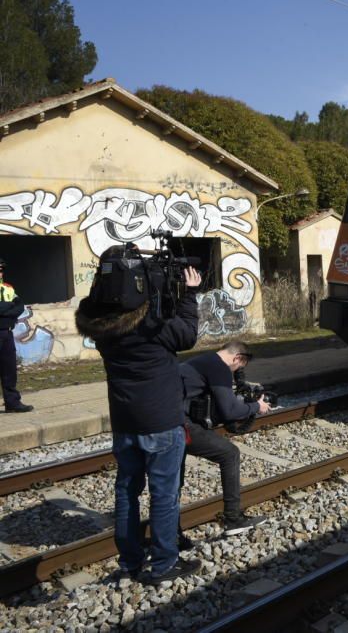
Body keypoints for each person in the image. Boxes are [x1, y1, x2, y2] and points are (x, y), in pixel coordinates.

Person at [74, 245, 202, 585]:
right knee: (163, 494)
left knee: (126, 490)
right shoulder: (153, 326)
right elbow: (187, 334)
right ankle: (163, 565)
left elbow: (104, 304)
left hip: (124, 422)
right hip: (160, 421)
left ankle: (131, 561)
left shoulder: (100, 326)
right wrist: (188, 296)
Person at [179, 341, 273, 537]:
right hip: (180, 425)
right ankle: (233, 519)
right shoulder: (220, 368)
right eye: (239, 367)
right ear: (238, 358)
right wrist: (257, 407)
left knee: (172, 482)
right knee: (230, 454)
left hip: (167, 420)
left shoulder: (203, 360)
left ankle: (170, 535)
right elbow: (230, 411)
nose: (236, 371)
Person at [0, 258, 32, 412]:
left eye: (1, 270)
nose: (0, 273)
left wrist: (5, 310)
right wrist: (7, 308)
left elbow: (19, 307)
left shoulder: (7, 288)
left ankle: (12, 403)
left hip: (6, 333)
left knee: (9, 370)